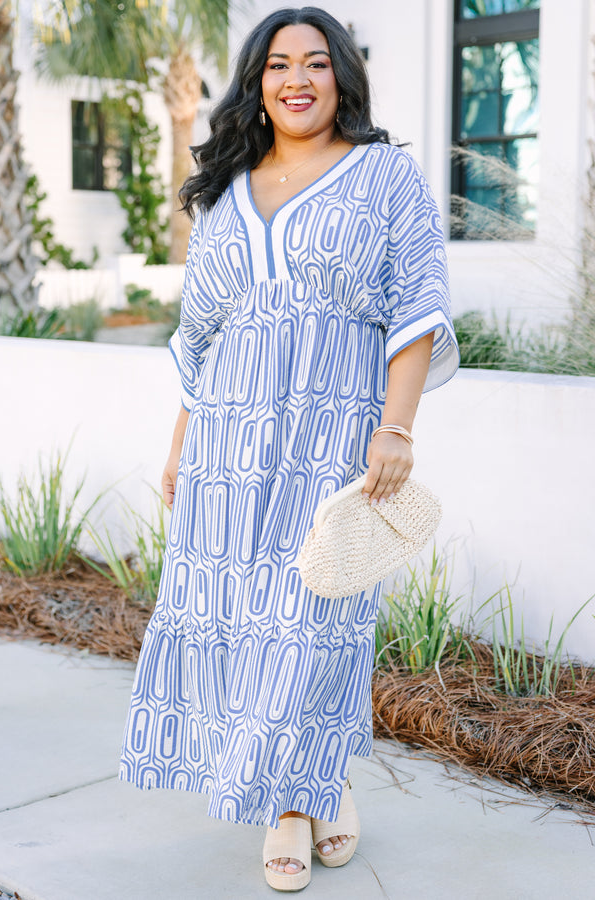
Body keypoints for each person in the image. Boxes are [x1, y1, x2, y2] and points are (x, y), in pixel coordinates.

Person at [119, 5, 458, 893]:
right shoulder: (227, 190)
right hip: (229, 439)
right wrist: (180, 445)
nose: (296, 78)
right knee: (243, 622)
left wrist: (397, 427)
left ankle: (292, 806)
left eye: (316, 61)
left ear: (342, 75)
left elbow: (415, 303)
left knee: (317, 618)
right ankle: (316, 778)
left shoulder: (383, 175)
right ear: (257, 84)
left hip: (333, 431)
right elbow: (203, 335)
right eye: (277, 65)